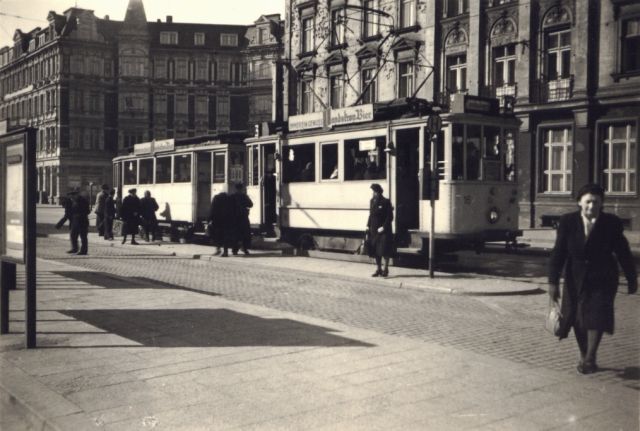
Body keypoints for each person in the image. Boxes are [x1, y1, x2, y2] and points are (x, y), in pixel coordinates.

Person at [549, 183, 637, 375]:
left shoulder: (611, 223)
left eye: (596, 202)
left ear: (602, 203)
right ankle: (584, 353)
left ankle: (589, 357)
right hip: (575, 277)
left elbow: (623, 251)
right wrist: (553, 282)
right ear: (579, 202)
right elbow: (559, 253)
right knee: (578, 320)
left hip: (603, 277)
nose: (591, 206)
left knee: (596, 317)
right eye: (588, 202)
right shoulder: (568, 222)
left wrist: (632, 278)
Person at [366, 183, 394, 277]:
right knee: (376, 251)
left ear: (379, 192)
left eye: (375, 192)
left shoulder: (386, 201)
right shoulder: (372, 201)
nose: (373, 193)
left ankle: (385, 269)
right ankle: (378, 269)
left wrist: (384, 227)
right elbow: (371, 214)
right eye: (373, 192)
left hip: (383, 231)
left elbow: (390, 217)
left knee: (384, 250)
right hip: (373, 230)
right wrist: (367, 225)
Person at [55, 188, 90, 255]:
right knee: (73, 235)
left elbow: (87, 211)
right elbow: (67, 214)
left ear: (76, 195)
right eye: (70, 196)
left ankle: (84, 251)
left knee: (83, 237)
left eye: (72, 196)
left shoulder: (83, 201)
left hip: (82, 222)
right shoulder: (70, 202)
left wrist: (80, 215)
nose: (72, 198)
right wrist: (60, 224)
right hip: (74, 222)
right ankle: (74, 248)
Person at [208, 190, 235, 257]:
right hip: (227, 221)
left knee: (217, 236)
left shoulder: (216, 198)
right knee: (225, 237)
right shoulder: (229, 199)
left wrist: (209, 219)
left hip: (217, 221)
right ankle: (225, 252)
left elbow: (212, 210)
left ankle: (218, 249)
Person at [232, 183, 253, 255]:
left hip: (235, 218)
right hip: (243, 217)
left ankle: (235, 249)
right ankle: (245, 248)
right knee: (245, 233)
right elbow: (251, 204)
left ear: (235, 188)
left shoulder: (232, 196)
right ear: (241, 189)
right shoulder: (244, 196)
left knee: (235, 233)